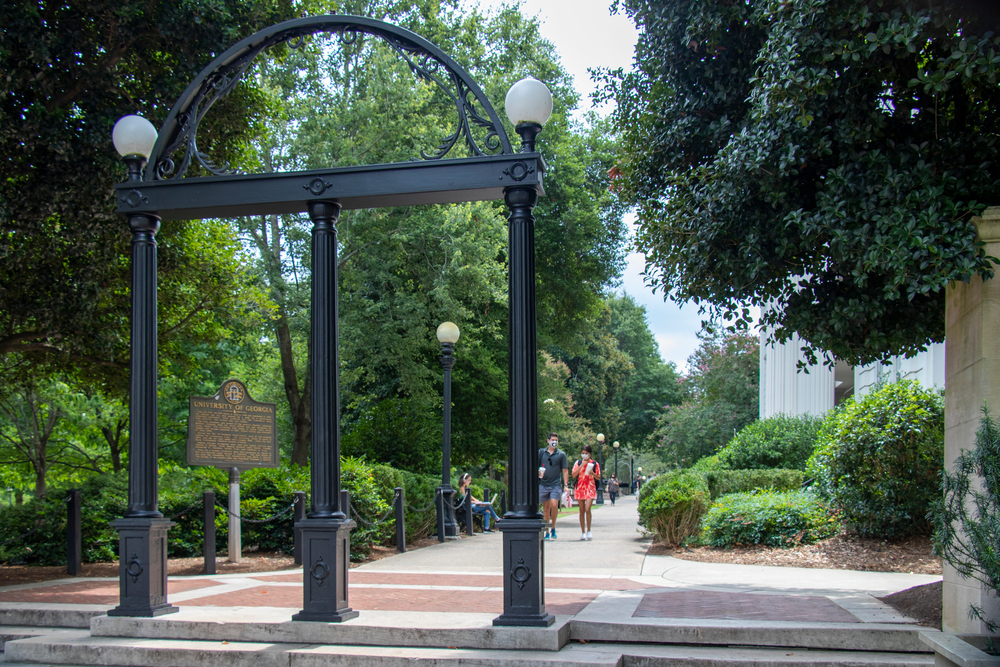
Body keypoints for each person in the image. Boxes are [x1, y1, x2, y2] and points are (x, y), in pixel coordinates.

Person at [538, 432, 569, 540]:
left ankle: (553, 527)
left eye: (556, 440)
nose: (554, 442)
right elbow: (536, 466)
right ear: (548, 441)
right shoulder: (541, 452)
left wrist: (566, 485)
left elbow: (565, 471)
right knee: (546, 508)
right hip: (543, 484)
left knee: (554, 505)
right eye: (553, 440)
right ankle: (547, 531)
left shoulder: (561, 454)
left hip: (555, 484)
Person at [571, 444, 601, 540]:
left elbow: (599, 477)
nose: (584, 455)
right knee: (581, 510)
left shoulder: (595, 464)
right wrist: (582, 465)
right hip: (580, 488)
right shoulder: (578, 463)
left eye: (586, 454)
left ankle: (589, 530)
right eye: (583, 453)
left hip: (590, 488)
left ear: (590, 453)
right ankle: (583, 531)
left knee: (588, 509)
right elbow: (574, 475)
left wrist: (592, 472)